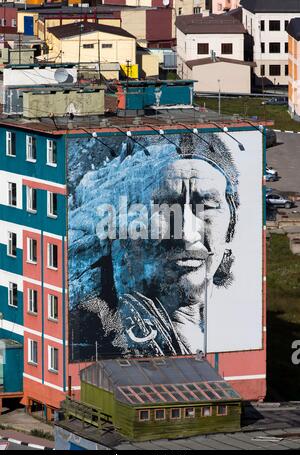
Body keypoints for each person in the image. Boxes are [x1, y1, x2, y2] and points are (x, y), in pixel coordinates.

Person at [68, 133, 239, 359]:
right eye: (165, 206)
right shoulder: (88, 336)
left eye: (206, 205)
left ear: (231, 224)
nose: (187, 233)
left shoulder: (232, 327)